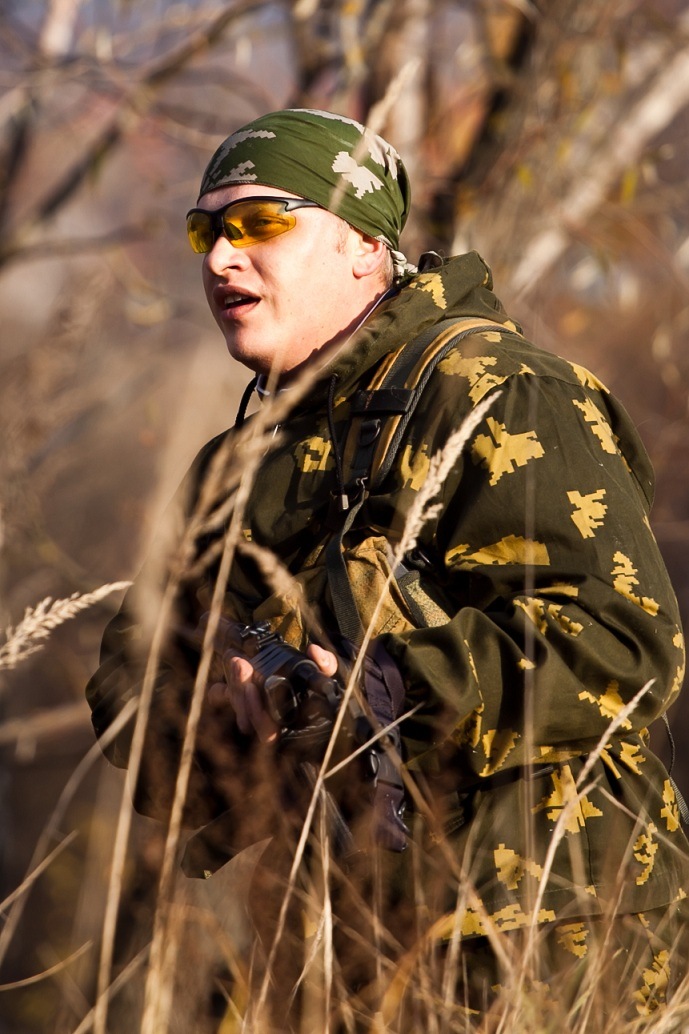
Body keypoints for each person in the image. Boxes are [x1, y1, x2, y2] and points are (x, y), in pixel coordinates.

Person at [86, 109, 689, 1031]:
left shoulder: (497, 390)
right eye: (205, 232)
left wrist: (387, 693)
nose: (221, 258)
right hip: (337, 946)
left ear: (366, 246)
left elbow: (622, 642)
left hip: (546, 936)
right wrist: (228, 715)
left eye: (260, 222)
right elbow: (129, 679)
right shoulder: (238, 463)